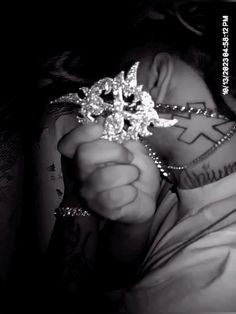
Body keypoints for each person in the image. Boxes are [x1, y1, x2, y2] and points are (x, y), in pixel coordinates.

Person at [34, 2, 236, 313]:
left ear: (158, 76)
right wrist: (131, 229)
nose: (105, 116)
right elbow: (116, 279)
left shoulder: (218, 276)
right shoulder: (171, 177)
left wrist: (77, 205)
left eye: (116, 92)